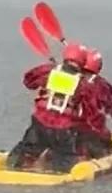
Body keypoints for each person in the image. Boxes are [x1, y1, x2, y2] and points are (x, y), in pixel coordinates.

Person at [6, 43, 95, 172]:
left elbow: (28, 81)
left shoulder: (48, 71)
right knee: (65, 156)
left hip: (39, 124)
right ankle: (57, 167)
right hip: (64, 130)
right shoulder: (84, 83)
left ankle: (15, 163)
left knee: (28, 147)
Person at [76, 48, 112, 159]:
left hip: (67, 133)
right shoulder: (103, 86)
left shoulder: (70, 79)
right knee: (106, 145)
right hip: (93, 136)